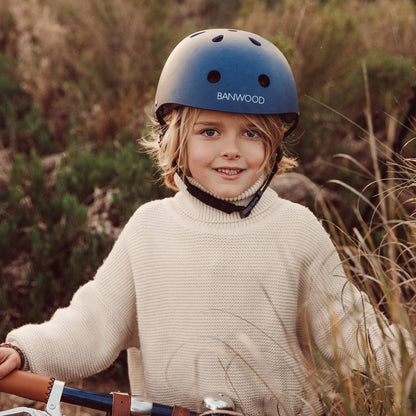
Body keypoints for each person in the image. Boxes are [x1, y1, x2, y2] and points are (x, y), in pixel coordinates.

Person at [0, 28, 408, 416]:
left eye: (251, 133)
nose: (230, 150)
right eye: (210, 131)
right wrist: (26, 350)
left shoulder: (296, 230)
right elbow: (93, 319)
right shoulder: (150, 229)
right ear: (176, 139)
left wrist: (404, 369)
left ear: (274, 144)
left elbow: (353, 333)